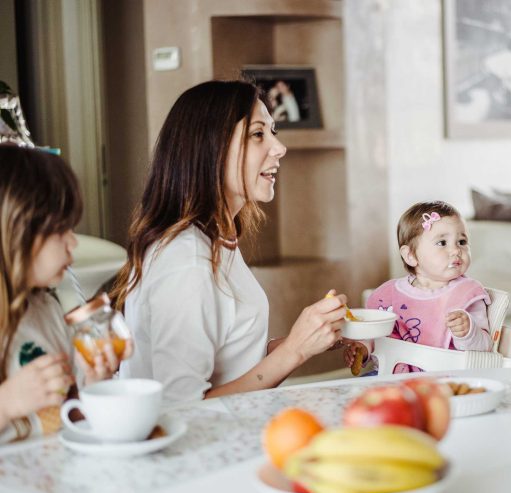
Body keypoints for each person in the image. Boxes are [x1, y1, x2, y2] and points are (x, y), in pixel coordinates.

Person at [112, 80, 347, 403]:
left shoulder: (215, 238)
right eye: (258, 134)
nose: (279, 148)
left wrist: (307, 338)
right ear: (212, 148)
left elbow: (227, 356)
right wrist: (294, 351)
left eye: (273, 132)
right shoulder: (186, 260)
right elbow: (182, 407)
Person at [0, 146, 127, 443]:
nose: (73, 243)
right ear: (15, 233)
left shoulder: (47, 310)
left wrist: (97, 382)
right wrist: (6, 403)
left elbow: (74, 417)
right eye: (60, 230)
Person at [346, 201, 492, 374]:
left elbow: (484, 346)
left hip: (444, 380)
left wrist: (468, 332)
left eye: (461, 241)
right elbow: (377, 338)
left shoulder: (466, 293)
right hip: (389, 378)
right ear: (410, 255)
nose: (456, 250)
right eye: (442, 243)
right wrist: (363, 350)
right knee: (362, 393)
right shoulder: (389, 294)